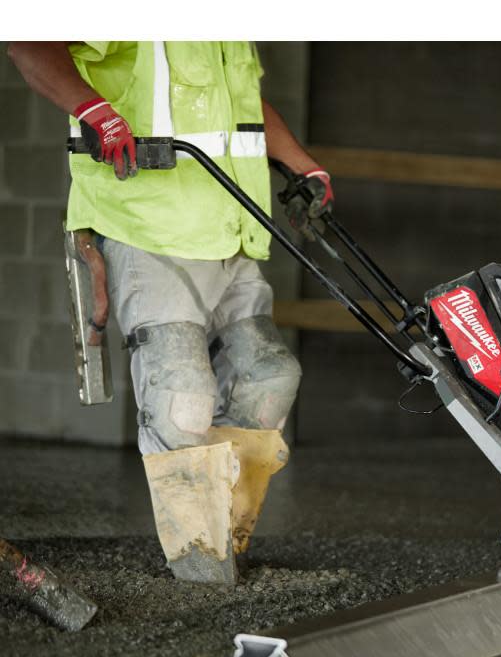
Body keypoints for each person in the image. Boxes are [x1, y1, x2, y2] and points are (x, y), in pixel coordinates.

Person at [6, 41, 332, 585]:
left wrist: (303, 166)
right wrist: (94, 110)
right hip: (149, 227)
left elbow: (242, 106)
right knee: (182, 398)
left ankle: (227, 541)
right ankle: (201, 571)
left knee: (270, 377)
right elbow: (29, 43)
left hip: (229, 229)